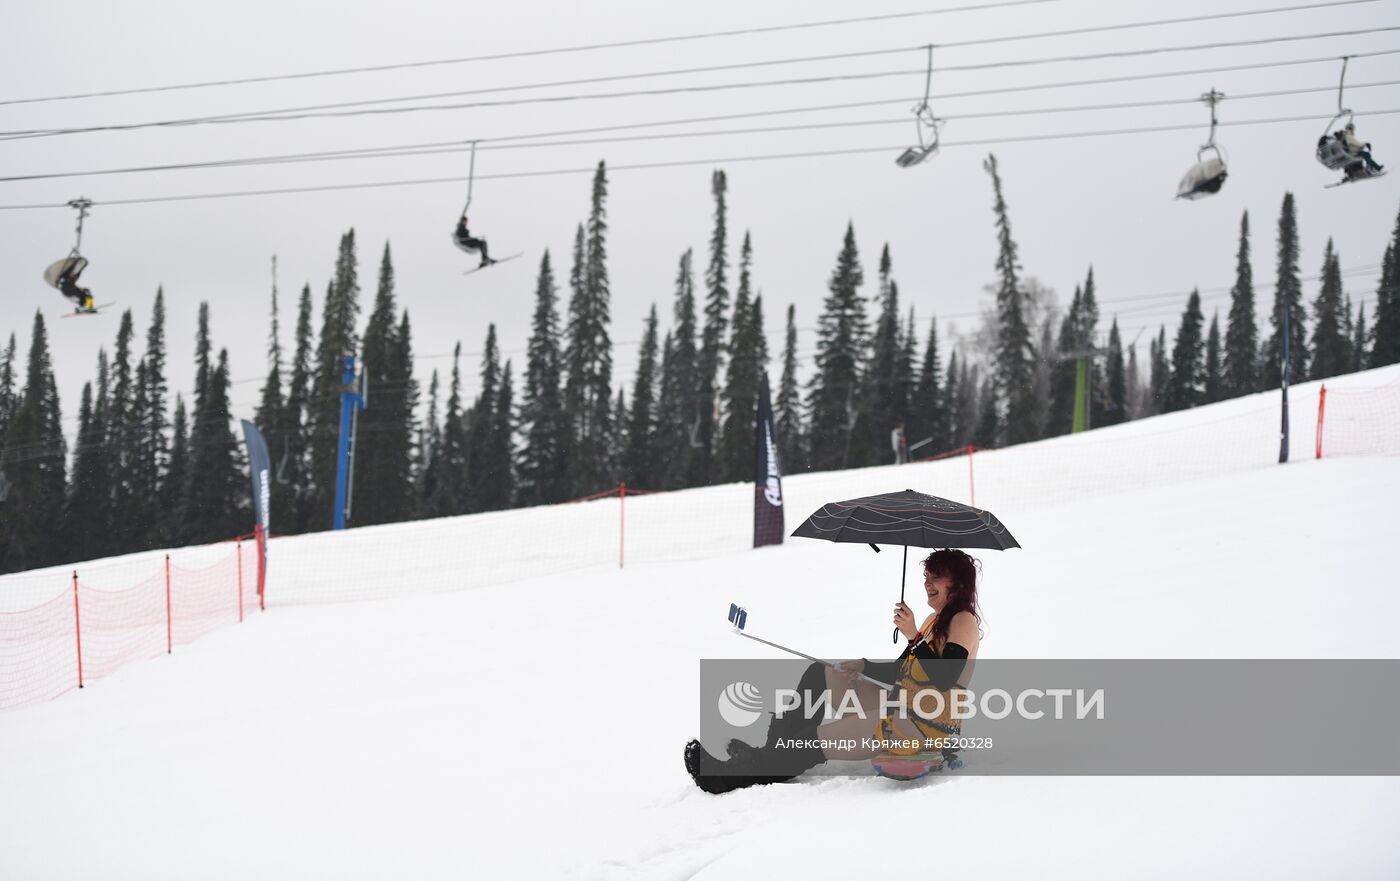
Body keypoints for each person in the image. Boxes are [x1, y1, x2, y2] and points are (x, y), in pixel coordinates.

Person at [684, 549, 981, 794]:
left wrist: (913, 636)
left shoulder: (963, 621)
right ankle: (769, 754)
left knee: (815, 740)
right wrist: (863, 665)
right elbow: (900, 670)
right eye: (927, 576)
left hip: (920, 728)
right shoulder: (934, 620)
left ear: (958, 584)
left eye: (937, 577)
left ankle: (723, 778)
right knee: (822, 674)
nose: (928, 583)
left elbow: (944, 678)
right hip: (902, 705)